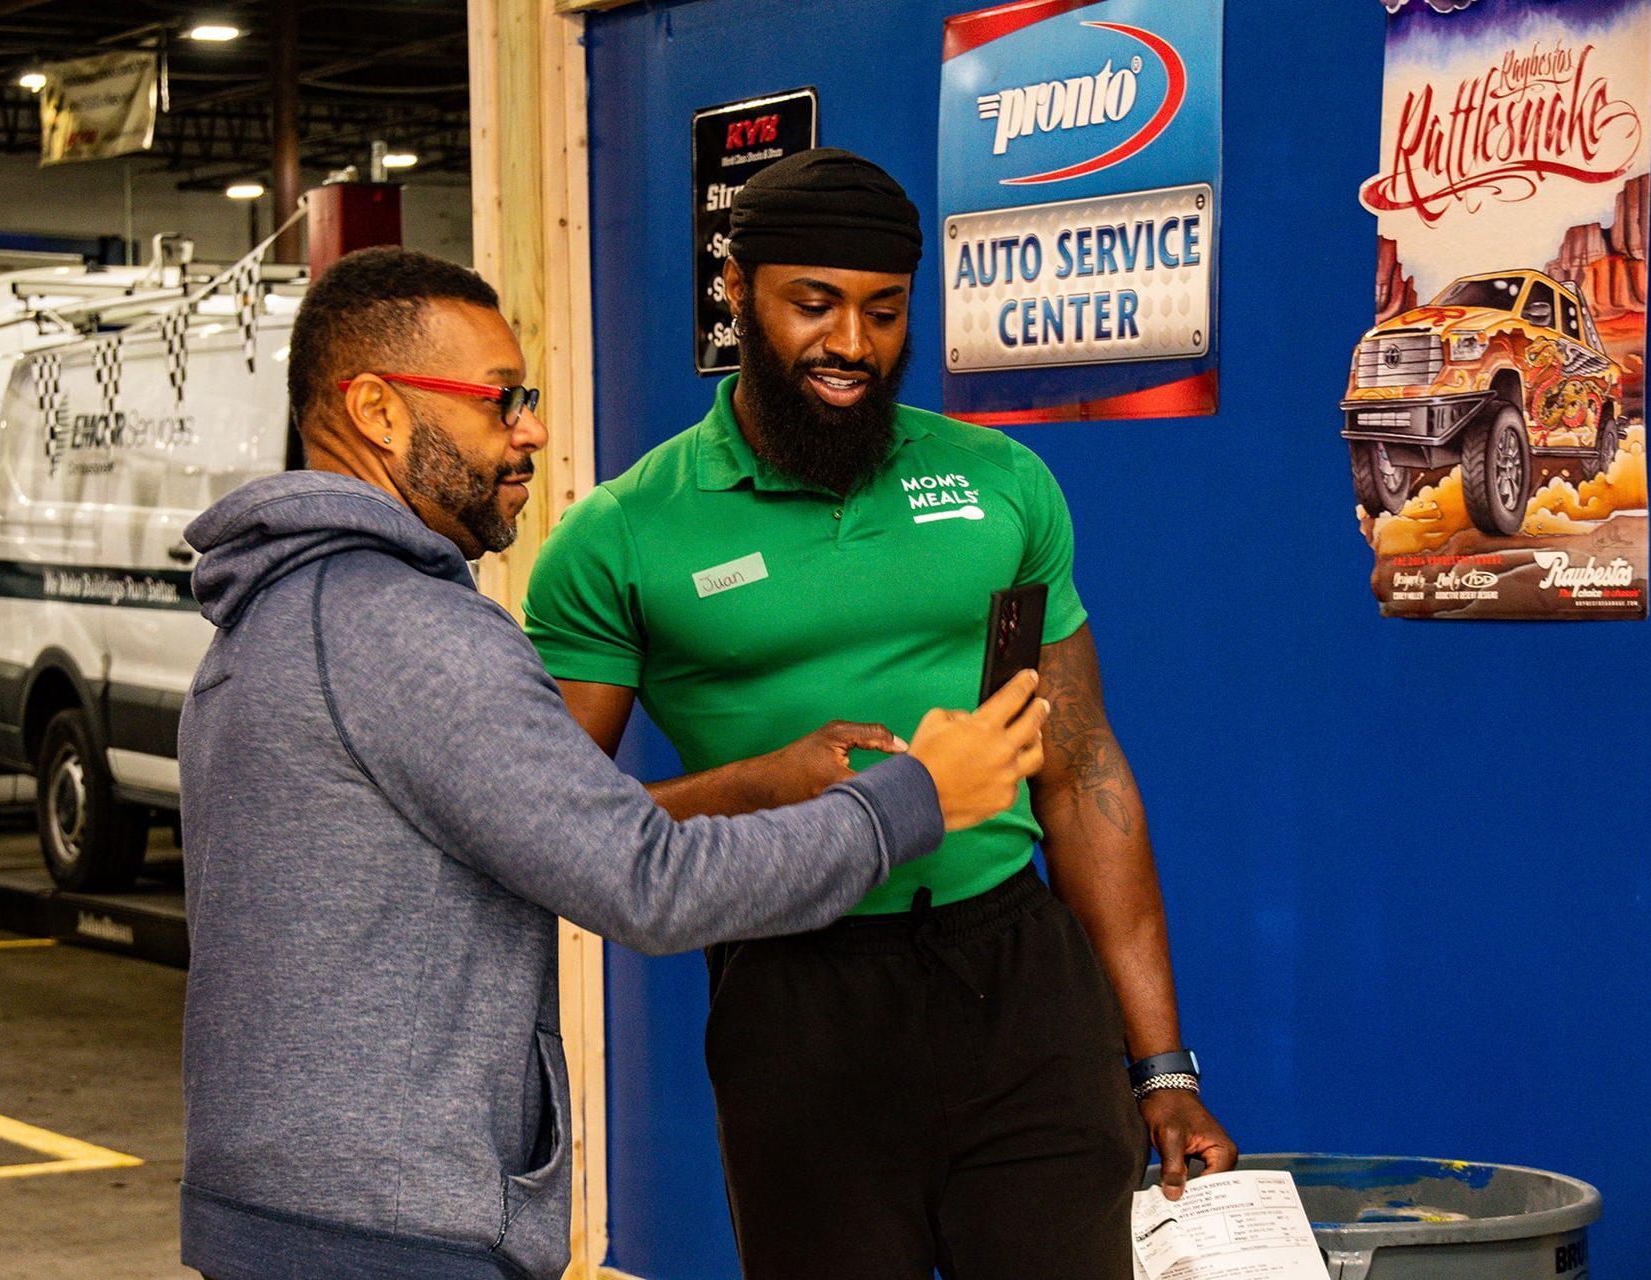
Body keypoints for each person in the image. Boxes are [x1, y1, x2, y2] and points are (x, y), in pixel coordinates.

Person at [174, 245, 1053, 1280]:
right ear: (375, 407)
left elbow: (535, 830)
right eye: (501, 400)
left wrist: (751, 785)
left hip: (287, 1201)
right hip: (391, 1221)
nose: (531, 429)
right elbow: (645, 885)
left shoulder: (275, 617)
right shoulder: (412, 633)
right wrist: (917, 796)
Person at [524, 149, 1237, 1279]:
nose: (850, 344)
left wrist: (1162, 1064)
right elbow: (550, 830)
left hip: (1019, 978)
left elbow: (1081, 764)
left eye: (881, 310)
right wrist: (761, 784)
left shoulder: (1003, 483)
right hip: (798, 990)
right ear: (736, 290)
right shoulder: (621, 534)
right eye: (812, 304)